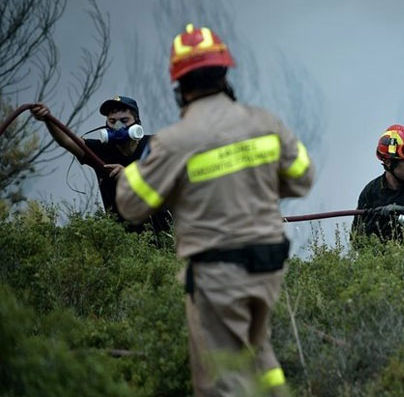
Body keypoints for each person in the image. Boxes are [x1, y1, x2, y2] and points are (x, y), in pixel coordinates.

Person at [115, 23, 313, 397]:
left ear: (180, 88)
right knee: (257, 354)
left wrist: (147, 170)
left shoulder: (175, 142)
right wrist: (254, 185)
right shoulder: (264, 122)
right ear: (225, 74)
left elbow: (130, 204)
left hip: (219, 275)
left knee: (220, 381)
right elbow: (302, 177)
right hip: (269, 266)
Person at [29, 97, 171, 235]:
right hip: (124, 240)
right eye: (112, 121)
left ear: (137, 123)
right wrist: (47, 119)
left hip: (166, 234)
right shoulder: (101, 150)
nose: (118, 126)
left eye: (124, 120)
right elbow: (66, 140)